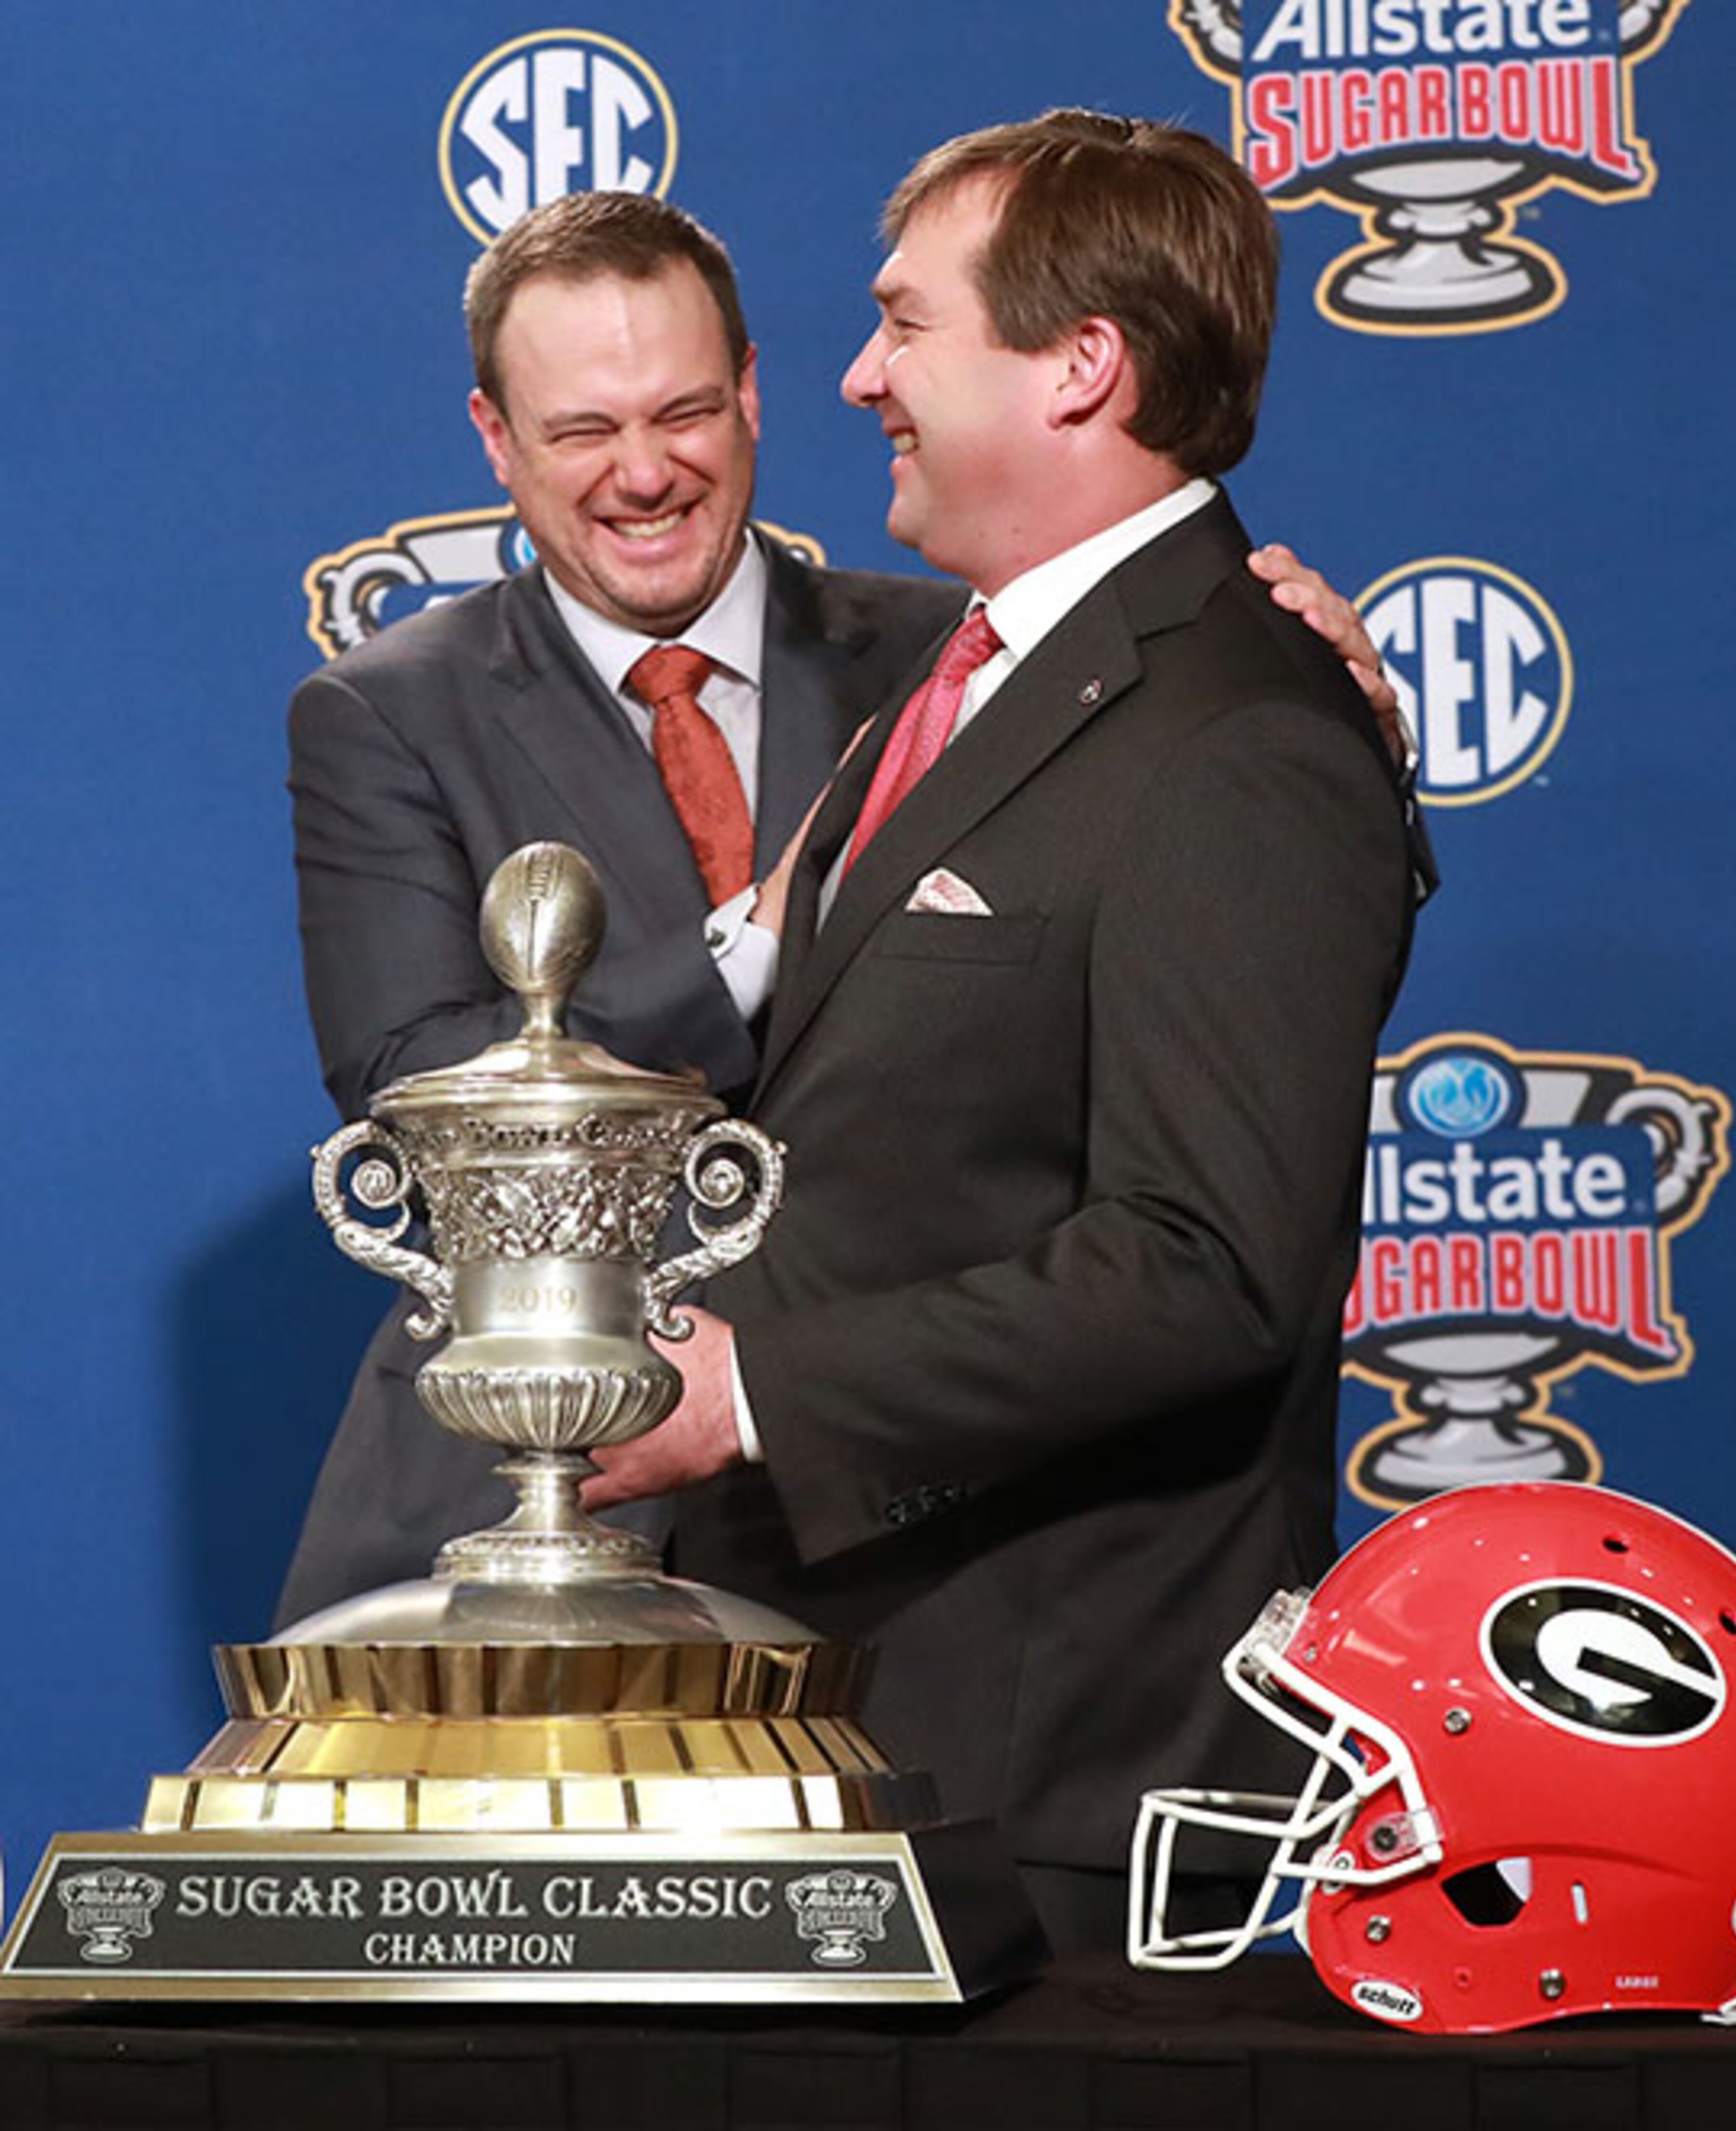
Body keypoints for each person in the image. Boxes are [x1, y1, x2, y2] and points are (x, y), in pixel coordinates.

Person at [276, 186, 1403, 1628]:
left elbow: (1219, 994)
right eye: (580, 432)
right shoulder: (386, 715)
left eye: (682, 412)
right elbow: (425, 1102)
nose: (642, 474)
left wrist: (1354, 739)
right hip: (516, 1493)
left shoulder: (982, 656)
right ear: (496, 440)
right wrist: (763, 928)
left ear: (750, 394)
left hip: (906, 1523)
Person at [577, 112, 1422, 1956]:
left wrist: (753, 1397)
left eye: (907, 325)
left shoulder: (1246, 738)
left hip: (1050, 1797)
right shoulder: (958, 693)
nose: (862, 375)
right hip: (849, 1742)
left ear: (1080, 366)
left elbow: (1207, 1267)